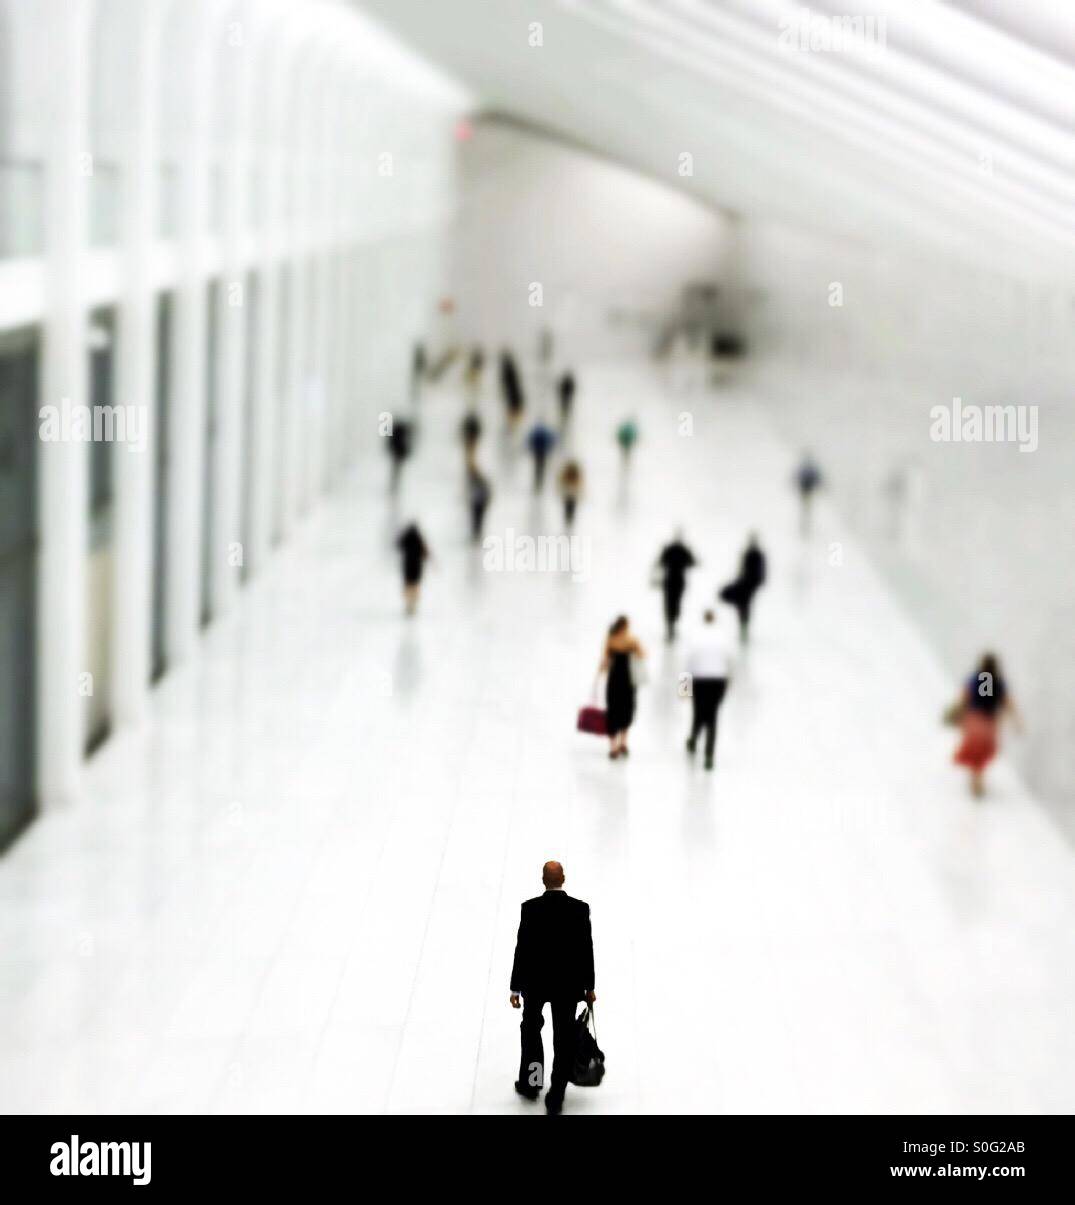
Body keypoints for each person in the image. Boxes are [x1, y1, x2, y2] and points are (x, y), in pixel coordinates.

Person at [510, 861, 596, 1116]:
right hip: (567, 986)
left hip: (535, 984)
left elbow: (522, 950)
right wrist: (589, 987)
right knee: (563, 1038)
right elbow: (586, 950)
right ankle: (556, 1094)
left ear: (543, 880)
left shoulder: (530, 909)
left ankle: (532, 1082)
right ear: (563, 879)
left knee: (531, 1033)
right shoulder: (579, 909)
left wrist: (516, 988)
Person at [951, 652, 1021, 797]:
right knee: (981, 754)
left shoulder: (976, 679)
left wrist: (957, 714)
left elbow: (964, 698)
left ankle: (975, 782)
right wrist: (1016, 721)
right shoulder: (999, 683)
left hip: (974, 720)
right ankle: (977, 782)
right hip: (989, 723)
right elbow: (1008, 703)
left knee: (974, 752)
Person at [685, 610, 734, 770]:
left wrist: (684, 689)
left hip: (699, 679)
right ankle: (709, 754)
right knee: (712, 716)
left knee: (698, 711)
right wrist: (729, 682)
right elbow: (729, 660)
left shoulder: (695, 636)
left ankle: (693, 738)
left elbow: (688, 661)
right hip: (718, 680)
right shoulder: (722, 637)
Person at [599, 616, 644, 759]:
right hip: (628, 680)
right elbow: (642, 654)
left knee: (613, 711)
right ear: (625, 626)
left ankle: (613, 747)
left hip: (614, 680)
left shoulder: (611, 639)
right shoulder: (632, 640)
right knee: (626, 710)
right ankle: (623, 742)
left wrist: (599, 675)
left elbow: (605, 659)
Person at [719, 534, 767, 644]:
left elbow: (748, 569)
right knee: (744, 605)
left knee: (744, 605)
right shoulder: (755, 554)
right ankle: (744, 630)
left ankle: (743, 630)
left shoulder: (752, 554)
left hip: (748, 583)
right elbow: (754, 570)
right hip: (749, 583)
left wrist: (755, 580)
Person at [656, 531, 697, 642]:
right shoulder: (684, 550)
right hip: (679, 581)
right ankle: (672, 626)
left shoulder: (669, 549)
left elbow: (660, 562)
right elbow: (693, 563)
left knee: (669, 604)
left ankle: (670, 627)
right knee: (677, 603)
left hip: (669, 580)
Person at [396, 522, 430, 616]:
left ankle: (408, 604)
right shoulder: (419, 540)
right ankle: (413, 605)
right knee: (414, 586)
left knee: (408, 585)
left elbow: (398, 545)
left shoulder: (406, 538)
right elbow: (425, 554)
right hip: (417, 567)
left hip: (407, 566)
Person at [794, 452, 823, 536]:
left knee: (805, 505)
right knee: (807, 506)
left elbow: (797, 476)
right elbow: (818, 478)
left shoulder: (804, 468)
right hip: (807, 490)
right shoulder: (811, 468)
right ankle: (805, 522)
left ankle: (805, 523)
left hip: (805, 489)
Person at [527, 421, 557, 492]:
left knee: (538, 467)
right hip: (541, 452)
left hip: (539, 452)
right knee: (540, 467)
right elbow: (550, 441)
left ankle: (538, 482)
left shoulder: (537, 432)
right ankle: (539, 482)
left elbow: (531, 441)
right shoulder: (545, 433)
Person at [499, 350, 525, 429]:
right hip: (513, 392)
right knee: (510, 378)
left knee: (509, 378)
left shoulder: (515, 412)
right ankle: (507, 359)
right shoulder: (517, 410)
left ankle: (506, 359)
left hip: (512, 392)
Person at [387, 419, 413, 492]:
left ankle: (394, 486)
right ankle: (394, 486)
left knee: (396, 470)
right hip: (398, 453)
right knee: (396, 470)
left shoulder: (398, 433)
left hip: (398, 453)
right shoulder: (400, 433)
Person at [467, 467, 491, 543]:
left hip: (478, 503)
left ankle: (477, 534)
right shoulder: (474, 479)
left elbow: (486, 491)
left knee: (477, 520)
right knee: (476, 521)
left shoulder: (480, 479)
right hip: (476, 502)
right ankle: (476, 534)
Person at [558, 460, 583, 528]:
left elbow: (579, 485)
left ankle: (569, 519)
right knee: (568, 507)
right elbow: (562, 482)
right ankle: (568, 519)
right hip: (568, 494)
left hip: (572, 495)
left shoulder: (575, 475)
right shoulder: (567, 474)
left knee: (571, 507)